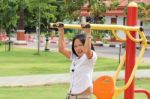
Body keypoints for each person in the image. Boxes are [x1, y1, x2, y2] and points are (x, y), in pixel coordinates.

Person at [57, 23, 97, 99]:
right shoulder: (75, 58)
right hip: (70, 96)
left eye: (80, 45)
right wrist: (61, 31)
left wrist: (88, 33)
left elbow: (87, 50)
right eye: (75, 46)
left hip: (83, 96)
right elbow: (61, 49)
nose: (78, 48)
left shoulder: (90, 58)